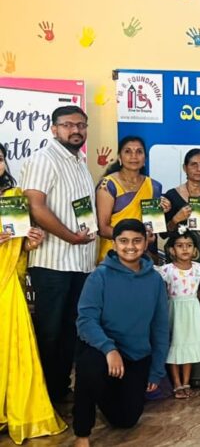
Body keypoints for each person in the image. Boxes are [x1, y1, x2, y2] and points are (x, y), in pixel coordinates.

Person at [21, 105, 98, 403]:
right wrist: (70, 237)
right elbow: (36, 206)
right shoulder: (44, 159)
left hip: (80, 262)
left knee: (70, 331)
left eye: (81, 125)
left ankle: (59, 389)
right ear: (54, 129)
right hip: (53, 263)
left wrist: (82, 241)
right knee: (50, 332)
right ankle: (43, 399)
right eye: (68, 125)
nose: (75, 130)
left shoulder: (80, 163)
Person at [72, 219, 169, 447]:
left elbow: (160, 327)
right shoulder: (99, 276)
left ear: (145, 243)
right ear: (114, 244)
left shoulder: (155, 280)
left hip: (135, 356)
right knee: (90, 368)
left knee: (126, 420)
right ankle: (82, 433)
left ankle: (102, 391)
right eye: (123, 241)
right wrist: (109, 349)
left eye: (137, 241)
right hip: (102, 351)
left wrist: (156, 372)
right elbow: (85, 320)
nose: (130, 246)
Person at [0, 144, 67, 444]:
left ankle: (15, 411)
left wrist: (32, 242)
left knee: (13, 346)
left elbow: (21, 245)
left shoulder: (14, 198)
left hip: (8, 283)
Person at [155, 229, 200, 399]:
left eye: (189, 245)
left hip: (192, 310)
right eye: (180, 246)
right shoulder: (167, 270)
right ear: (172, 250)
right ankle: (177, 383)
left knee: (188, 344)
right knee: (175, 344)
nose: (185, 249)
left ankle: (186, 382)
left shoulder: (198, 268)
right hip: (175, 310)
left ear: (195, 249)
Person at [96, 135, 170, 262]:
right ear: (119, 157)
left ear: (145, 158)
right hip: (114, 258)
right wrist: (136, 240)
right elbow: (103, 229)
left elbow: (153, 227)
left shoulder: (154, 186)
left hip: (144, 257)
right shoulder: (108, 185)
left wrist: (163, 211)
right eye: (128, 151)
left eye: (139, 152)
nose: (134, 156)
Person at [164, 148, 200, 257]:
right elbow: (163, 234)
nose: (199, 169)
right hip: (178, 259)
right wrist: (176, 219)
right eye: (194, 164)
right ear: (185, 168)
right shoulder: (172, 195)